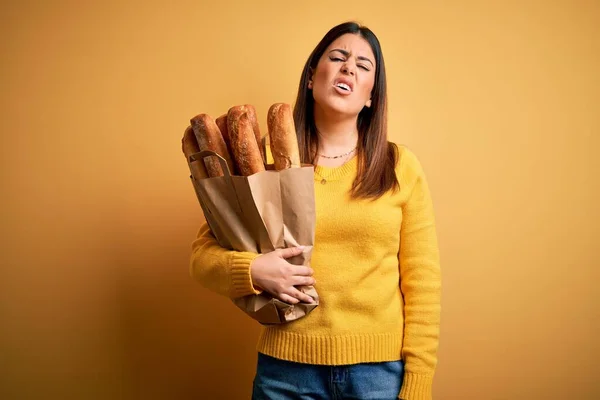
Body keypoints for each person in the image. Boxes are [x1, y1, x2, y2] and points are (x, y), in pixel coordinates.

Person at [189, 21, 441, 400]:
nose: (348, 68)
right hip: (285, 373)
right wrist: (253, 270)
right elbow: (202, 259)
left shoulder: (398, 165)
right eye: (337, 57)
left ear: (372, 95)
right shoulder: (264, 161)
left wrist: (417, 386)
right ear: (312, 77)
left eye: (363, 65)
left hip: (378, 377)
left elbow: (423, 284)